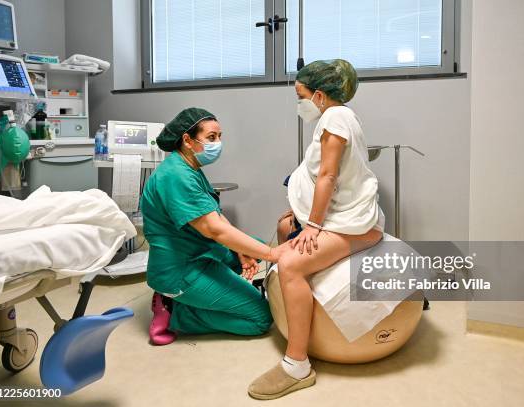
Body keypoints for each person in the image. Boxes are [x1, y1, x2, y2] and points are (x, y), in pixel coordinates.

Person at [248, 59, 385, 400]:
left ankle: (297, 366)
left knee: (291, 263)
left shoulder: (336, 118)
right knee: (283, 227)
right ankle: (290, 314)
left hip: (351, 224)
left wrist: (313, 224)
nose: (299, 103)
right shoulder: (336, 117)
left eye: (301, 95)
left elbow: (328, 176)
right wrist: (300, 211)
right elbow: (316, 176)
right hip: (338, 215)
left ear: (320, 95)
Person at [140, 107, 285, 345]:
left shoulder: (190, 167)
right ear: (187, 140)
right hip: (180, 270)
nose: (218, 143)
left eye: (219, 137)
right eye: (211, 138)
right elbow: (214, 229)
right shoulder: (177, 176)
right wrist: (273, 254)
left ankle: (206, 294)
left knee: (253, 247)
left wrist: (242, 251)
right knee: (260, 318)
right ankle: (174, 311)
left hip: (199, 253)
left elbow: (215, 216)